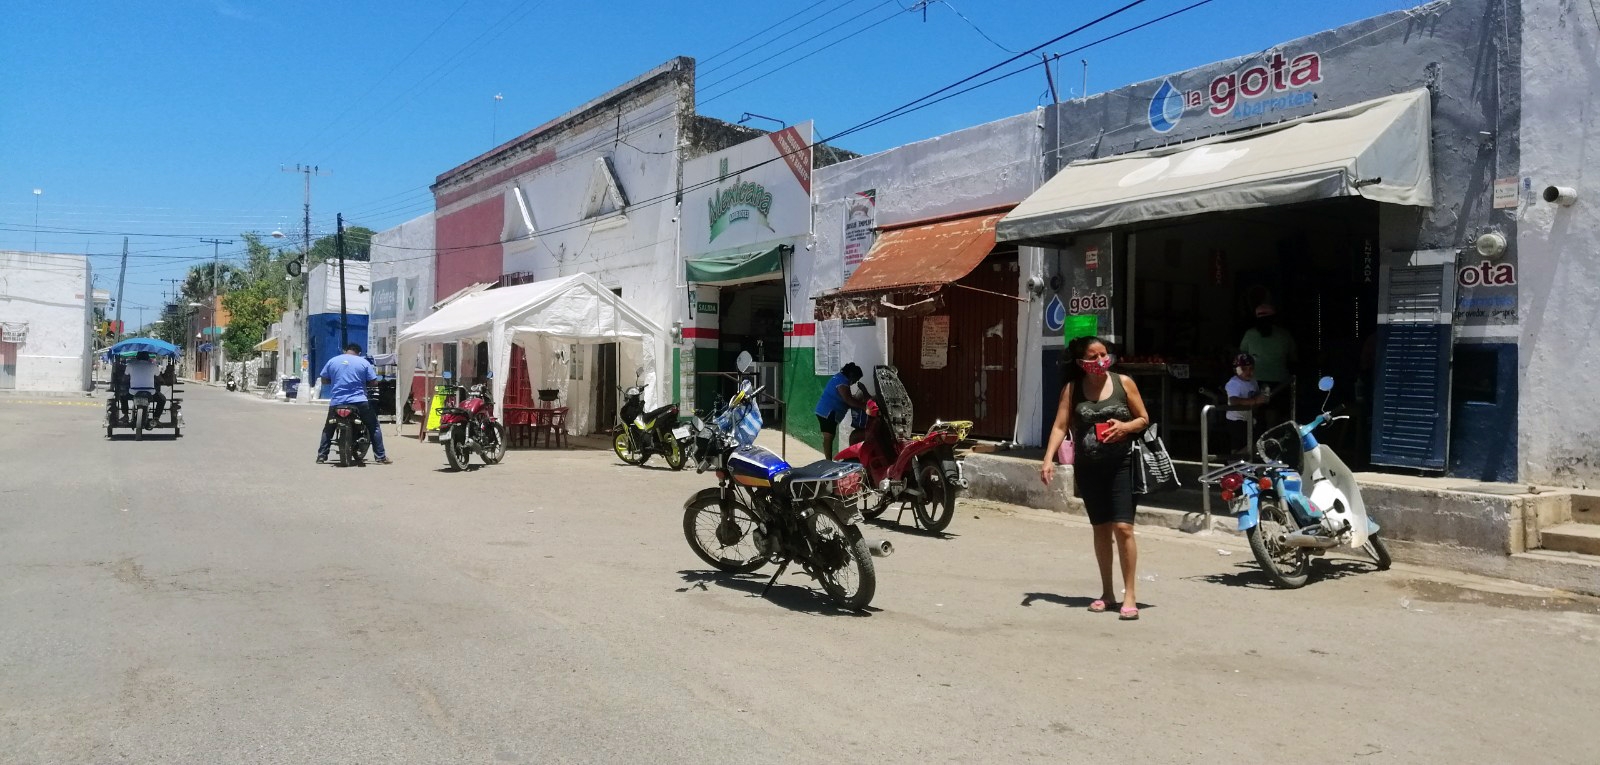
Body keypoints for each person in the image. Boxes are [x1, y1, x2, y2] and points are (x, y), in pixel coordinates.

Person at [1040, 336, 1151, 621]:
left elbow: (1143, 419)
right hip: (1089, 468)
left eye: (1104, 354)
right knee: (1101, 529)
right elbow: (1060, 425)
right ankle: (1107, 593)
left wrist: (1124, 426)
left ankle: (1130, 595)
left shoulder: (1124, 383)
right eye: (1094, 356)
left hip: (1121, 465)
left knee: (1123, 528)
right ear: (1081, 362)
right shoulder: (1072, 388)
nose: (1101, 360)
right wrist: (1048, 458)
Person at [316, 343, 391, 465]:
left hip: (337, 402)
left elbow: (324, 380)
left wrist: (336, 380)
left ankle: (321, 456)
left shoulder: (333, 361)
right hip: (359, 402)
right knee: (374, 427)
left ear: (346, 350)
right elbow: (373, 382)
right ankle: (380, 457)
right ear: (359, 353)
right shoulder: (363, 362)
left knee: (328, 429)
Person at [1239, 304, 1296, 420]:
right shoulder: (1284, 335)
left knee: (1254, 414)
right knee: (1272, 415)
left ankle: (1256, 435)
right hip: (1279, 383)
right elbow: (1293, 359)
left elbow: (1242, 355)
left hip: (1257, 381)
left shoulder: (1250, 334)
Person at [815, 362, 870, 458]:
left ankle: (828, 460)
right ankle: (828, 461)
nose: (855, 382)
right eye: (856, 379)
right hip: (829, 412)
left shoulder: (839, 377)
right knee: (829, 437)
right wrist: (863, 406)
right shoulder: (842, 381)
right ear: (852, 375)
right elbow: (848, 400)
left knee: (828, 437)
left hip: (824, 410)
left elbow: (847, 398)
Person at [1224, 353, 1267, 456]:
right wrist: (1255, 401)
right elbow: (1234, 400)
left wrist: (1263, 398)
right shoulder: (1234, 383)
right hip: (1236, 421)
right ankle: (1232, 462)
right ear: (1236, 370)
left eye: (1251, 368)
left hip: (1249, 419)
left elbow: (1256, 397)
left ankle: (1238, 462)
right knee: (1246, 444)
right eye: (1244, 369)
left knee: (1250, 443)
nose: (1248, 372)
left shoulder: (1253, 382)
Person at [124, 351, 167, 424]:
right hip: (150, 392)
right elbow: (159, 379)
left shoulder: (130, 365)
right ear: (148, 358)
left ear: (137, 357)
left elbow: (124, 378)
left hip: (134, 392)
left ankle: (125, 415)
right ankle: (156, 418)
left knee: (123, 396)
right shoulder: (153, 366)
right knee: (162, 399)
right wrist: (163, 381)